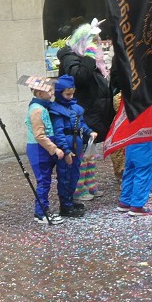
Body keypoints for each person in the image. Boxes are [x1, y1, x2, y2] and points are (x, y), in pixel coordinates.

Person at [56, 20, 113, 201]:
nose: (97, 45)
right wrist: (89, 54)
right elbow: (80, 77)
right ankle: (78, 189)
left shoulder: (89, 59)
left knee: (90, 154)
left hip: (93, 113)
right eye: (93, 41)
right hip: (82, 113)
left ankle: (90, 185)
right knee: (81, 154)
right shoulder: (70, 58)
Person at [49, 76, 96, 218]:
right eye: (67, 94)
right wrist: (66, 150)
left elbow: (81, 124)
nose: (70, 97)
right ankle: (65, 205)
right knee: (65, 175)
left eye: (72, 94)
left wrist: (89, 132)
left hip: (77, 143)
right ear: (59, 93)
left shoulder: (76, 108)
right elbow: (59, 132)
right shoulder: (57, 110)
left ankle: (70, 200)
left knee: (75, 174)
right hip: (67, 146)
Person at [23, 77, 64, 225]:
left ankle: (42, 210)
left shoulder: (42, 107)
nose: (52, 93)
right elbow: (39, 135)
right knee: (43, 182)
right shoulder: (37, 110)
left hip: (43, 149)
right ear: (40, 93)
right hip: (39, 150)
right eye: (49, 90)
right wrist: (54, 149)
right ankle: (41, 213)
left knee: (45, 181)